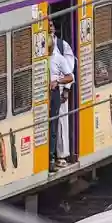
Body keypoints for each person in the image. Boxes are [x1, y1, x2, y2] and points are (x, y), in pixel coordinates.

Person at [48, 24, 76, 170]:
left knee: (61, 123)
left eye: (52, 25)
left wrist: (66, 89)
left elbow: (70, 70)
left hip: (59, 91)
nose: (51, 27)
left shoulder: (62, 46)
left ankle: (62, 155)